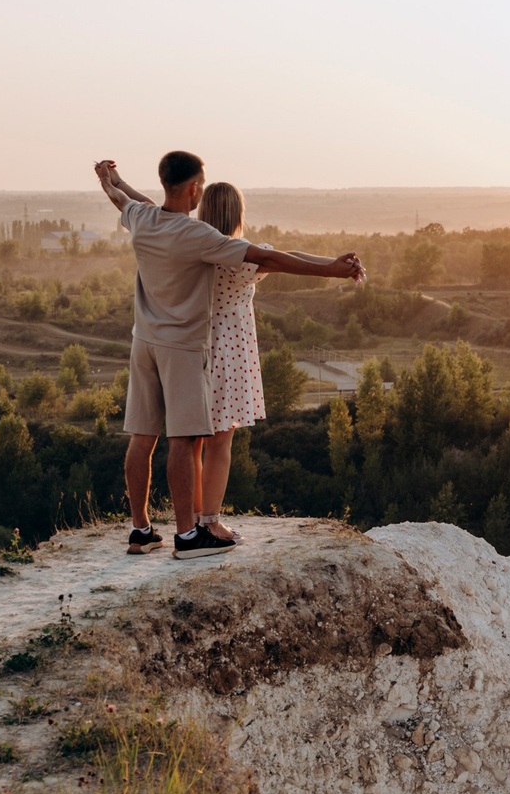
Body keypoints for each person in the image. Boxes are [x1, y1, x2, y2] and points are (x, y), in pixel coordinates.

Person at [92, 153, 361, 555]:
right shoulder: (199, 238)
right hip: (181, 346)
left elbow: (124, 199)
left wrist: (110, 178)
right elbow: (270, 257)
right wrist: (331, 270)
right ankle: (189, 536)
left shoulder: (143, 218)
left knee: (142, 436)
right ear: (193, 189)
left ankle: (141, 530)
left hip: (142, 341)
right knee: (184, 441)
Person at [193, 181, 267, 542]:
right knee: (220, 444)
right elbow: (289, 259)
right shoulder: (244, 257)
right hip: (231, 352)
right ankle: (210, 522)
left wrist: (115, 185)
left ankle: (191, 519)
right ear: (237, 214)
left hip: (192, 347)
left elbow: (149, 211)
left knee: (189, 440)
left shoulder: (190, 247)